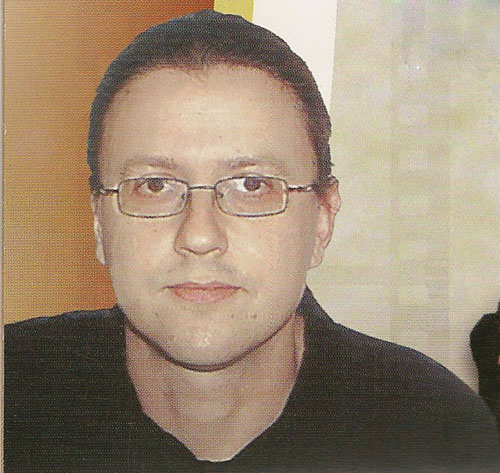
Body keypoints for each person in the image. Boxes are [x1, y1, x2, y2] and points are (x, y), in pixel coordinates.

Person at [4, 10, 500, 473]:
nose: (200, 235)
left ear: (322, 219)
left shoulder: (438, 434)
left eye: (252, 185)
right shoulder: (14, 395)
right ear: (99, 224)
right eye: (154, 185)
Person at [471, 300, 500, 431]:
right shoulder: (488, 324)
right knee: (492, 418)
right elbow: (476, 343)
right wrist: (491, 363)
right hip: (492, 385)